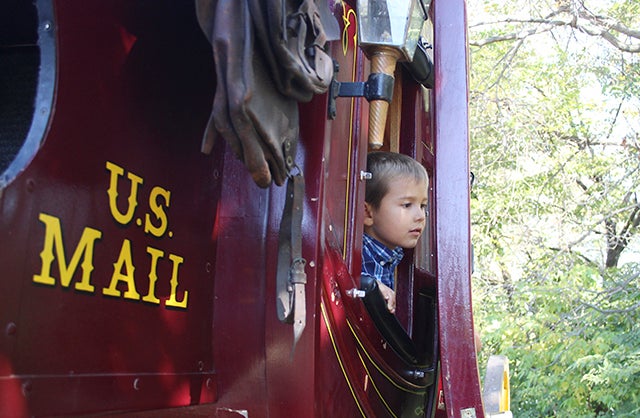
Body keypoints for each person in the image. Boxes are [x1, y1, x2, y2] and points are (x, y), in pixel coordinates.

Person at [361, 151, 429, 314]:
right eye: (407, 205)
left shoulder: (391, 255)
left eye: (422, 206)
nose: (420, 216)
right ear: (367, 213)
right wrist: (364, 283)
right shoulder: (359, 254)